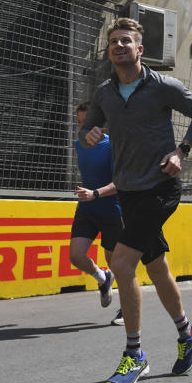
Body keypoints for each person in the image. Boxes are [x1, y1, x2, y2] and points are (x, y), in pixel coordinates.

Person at [80, 17, 192, 383]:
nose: (119, 46)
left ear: (140, 50)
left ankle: (135, 354)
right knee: (156, 267)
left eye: (126, 42)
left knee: (121, 262)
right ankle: (188, 334)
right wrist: (90, 134)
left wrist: (180, 152)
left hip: (161, 187)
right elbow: (90, 130)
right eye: (114, 43)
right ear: (109, 51)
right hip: (129, 191)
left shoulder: (162, 86)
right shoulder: (105, 92)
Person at [72, 102, 124, 325]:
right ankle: (102, 278)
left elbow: (121, 182)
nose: (83, 128)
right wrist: (88, 194)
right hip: (87, 208)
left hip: (112, 210)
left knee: (117, 263)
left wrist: (95, 193)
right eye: (79, 123)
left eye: (88, 123)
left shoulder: (112, 146)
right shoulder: (78, 145)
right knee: (75, 256)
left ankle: (126, 308)